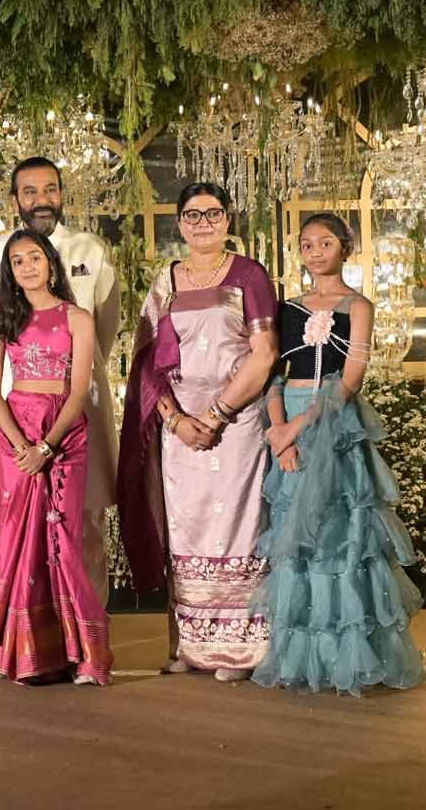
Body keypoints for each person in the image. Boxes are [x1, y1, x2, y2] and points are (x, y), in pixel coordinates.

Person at [252, 213, 426, 696]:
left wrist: (297, 429)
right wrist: (278, 429)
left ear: (344, 248)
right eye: (306, 244)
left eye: (325, 243)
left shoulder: (358, 305)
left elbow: (350, 381)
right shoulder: (287, 307)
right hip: (289, 416)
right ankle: (303, 657)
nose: (314, 252)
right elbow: (273, 373)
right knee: (295, 534)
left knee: (341, 531)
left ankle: (351, 655)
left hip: (333, 420)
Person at [118, 182, 279, 682]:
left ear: (228, 220)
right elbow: (147, 365)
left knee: (239, 528)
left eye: (213, 213)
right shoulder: (165, 282)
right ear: (180, 223)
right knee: (185, 531)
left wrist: (217, 414)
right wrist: (176, 420)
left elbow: (265, 355)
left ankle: (242, 650)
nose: (203, 223)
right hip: (181, 431)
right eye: (193, 215)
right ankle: (190, 646)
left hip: (237, 424)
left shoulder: (249, 274)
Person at [0, 157, 119, 603]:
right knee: (22, 524)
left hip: (78, 407)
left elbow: (103, 333)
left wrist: (69, 386)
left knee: (85, 521)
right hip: (15, 413)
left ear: (62, 194)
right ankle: (30, 629)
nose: (41, 200)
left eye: (50, 189)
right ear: (14, 199)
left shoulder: (91, 249)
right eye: (30, 191)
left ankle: (86, 625)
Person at [0, 229, 112, 685]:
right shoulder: (2, 320)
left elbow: (78, 392)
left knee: (63, 541)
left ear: (51, 263)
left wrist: (46, 447)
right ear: (10, 272)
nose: (27, 267)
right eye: (17, 261)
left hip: (63, 433)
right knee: (19, 541)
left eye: (34, 257)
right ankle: (29, 656)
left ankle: (85, 655)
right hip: (14, 433)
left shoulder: (77, 318)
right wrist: (22, 446)